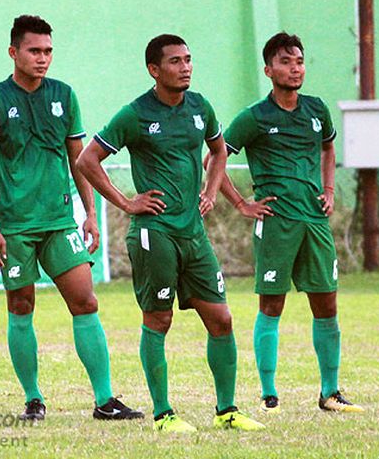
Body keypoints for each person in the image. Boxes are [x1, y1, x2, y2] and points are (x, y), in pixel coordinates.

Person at [77, 34, 265, 433]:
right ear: (154, 69)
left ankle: (227, 409)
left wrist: (212, 191)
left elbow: (218, 151)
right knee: (159, 319)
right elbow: (86, 160)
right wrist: (127, 203)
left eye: (189, 59)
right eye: (176, 61)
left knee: (222, 319)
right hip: (154, 233)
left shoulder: (200, 107)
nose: (186, 67)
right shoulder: (135, 114)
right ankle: (164, 414)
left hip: (193, 233)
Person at [0, 14, 142, 422]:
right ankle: (33, 398)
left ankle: (104, 400)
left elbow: (79, 159)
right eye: (34, 51)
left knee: (85, 301)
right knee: (21, 304)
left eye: (48, 51)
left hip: (60, 221)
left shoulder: (64, 95)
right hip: (14, 226)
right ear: (14, 52)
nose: (42, 58)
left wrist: (89, 215)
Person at [204, 31, 364, 414]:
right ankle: (268, 392)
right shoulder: (255, 117)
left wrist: (328, 187)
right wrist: (242, 202)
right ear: (269, 69)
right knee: (271, 304)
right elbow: (214, 160)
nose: (295, 69)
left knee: (327, 305)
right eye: (286, 62)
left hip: (315, 221)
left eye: (299, 61)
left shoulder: (316, 110)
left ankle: (330, 391)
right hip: (277, 221)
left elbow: (328, 147)